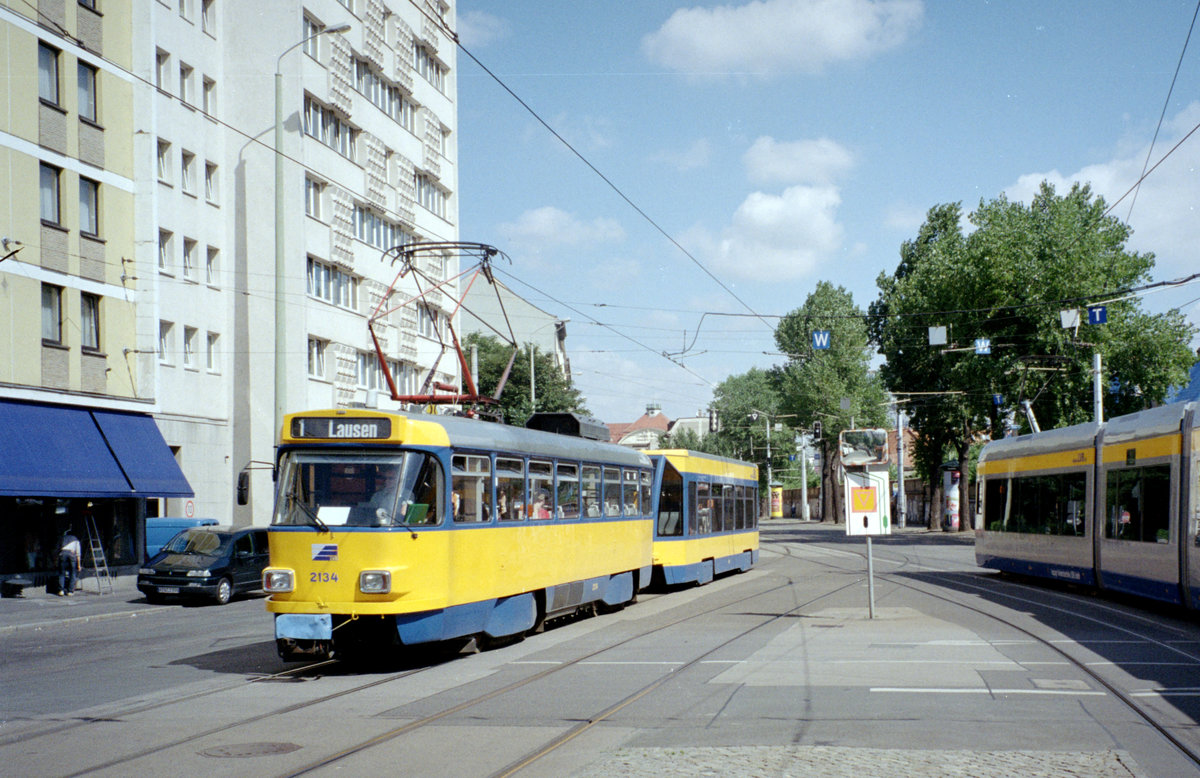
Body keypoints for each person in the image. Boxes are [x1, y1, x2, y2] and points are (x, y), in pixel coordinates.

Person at [58, 528, 82, 596]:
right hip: (71, 554)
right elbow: (78, 553)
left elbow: (58, 548)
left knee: (62, 573)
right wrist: (79, 565)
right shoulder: (76, 539)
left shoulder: (63, 538)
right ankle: (70, 591)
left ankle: (61, 590)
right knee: (73, 573)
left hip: (63, 554)